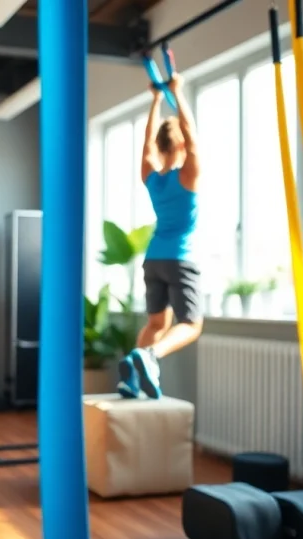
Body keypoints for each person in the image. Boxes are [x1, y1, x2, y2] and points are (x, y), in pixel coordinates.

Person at [117, 73, 203, 400]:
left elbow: (146, 144)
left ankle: (131, 379)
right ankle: (150, 357)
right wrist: (177, 94)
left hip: (154, 260)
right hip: (181, 258)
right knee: (191, 324)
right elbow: (193, 137)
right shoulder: (189, 175)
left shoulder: (152, 178)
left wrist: (155, 100)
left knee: (156, 324)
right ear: (180, 143)